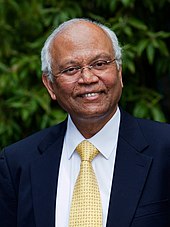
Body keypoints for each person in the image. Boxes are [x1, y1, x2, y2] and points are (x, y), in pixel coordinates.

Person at [0, 18, 170, 227]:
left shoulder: (165, 148)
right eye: (71, 69)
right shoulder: (17, 163)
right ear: (50, 85)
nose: (88, 78)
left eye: (99, 64)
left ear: (119, 71)